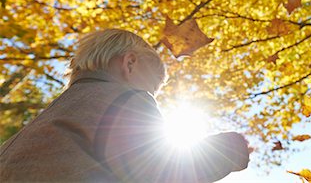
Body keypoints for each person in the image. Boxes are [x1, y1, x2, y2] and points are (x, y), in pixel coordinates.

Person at [0, 29, 250, 182]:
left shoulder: (46, 119)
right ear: (129, 63)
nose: (149, 96)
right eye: (149, 89)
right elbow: (159, 171)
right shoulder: (125, 99)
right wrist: (224, 151)